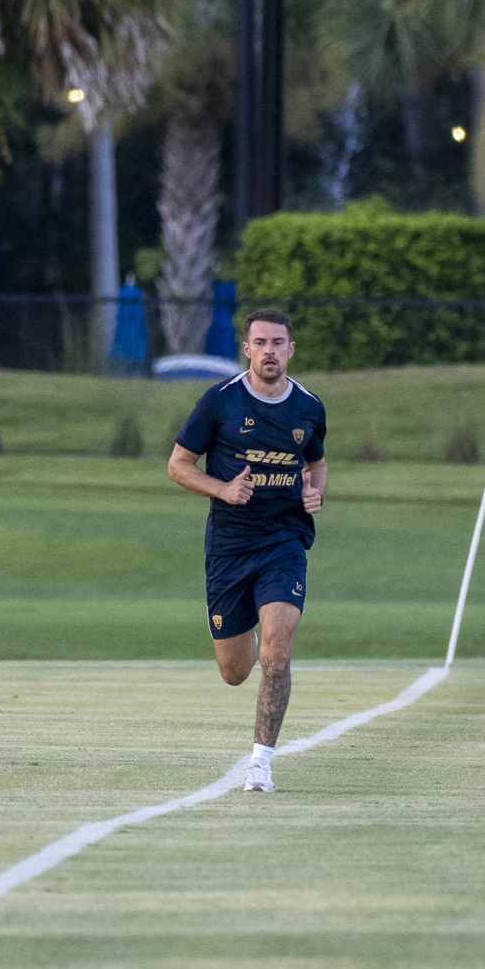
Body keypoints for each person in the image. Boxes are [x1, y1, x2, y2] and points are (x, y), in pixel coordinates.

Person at [167, 307, 326, 792]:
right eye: (261, 343)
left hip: (284, 541)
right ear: (247, 349)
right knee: (236, 671)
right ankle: (247, 635)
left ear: (291, 349)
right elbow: (178, 465)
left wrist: (315, 491)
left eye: (278, 342)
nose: (270, 351)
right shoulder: (220, 402)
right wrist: (222, 489)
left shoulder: (309, 408)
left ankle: (260, 763)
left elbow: (316, 465)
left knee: (278, 650)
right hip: (231, 548)